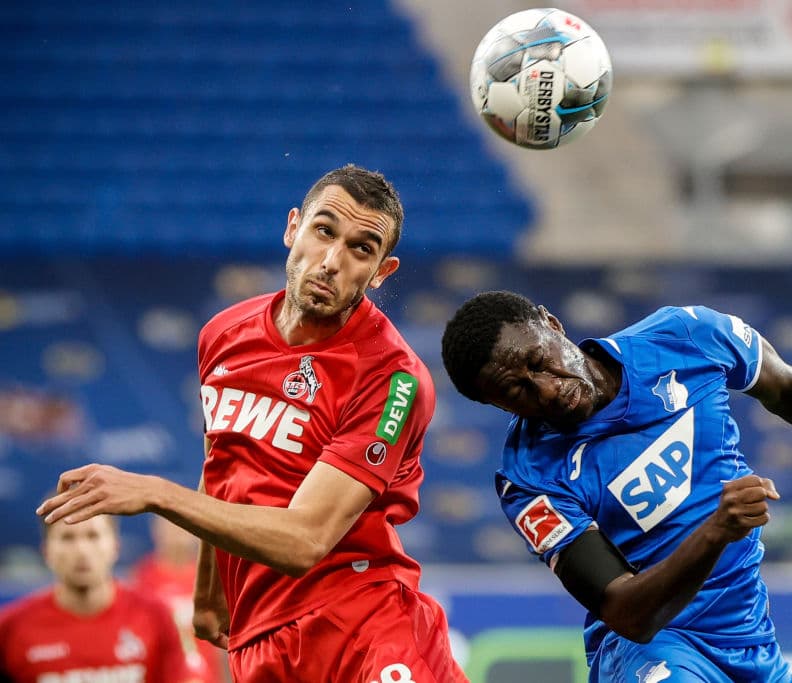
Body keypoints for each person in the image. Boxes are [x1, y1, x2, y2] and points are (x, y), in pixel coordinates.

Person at [37, 165, 469, 683]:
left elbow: (306, 541)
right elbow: (224, 462)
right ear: (293, 228)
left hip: (363, 625)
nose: (332, 261)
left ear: (381, 271)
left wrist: (156, 493)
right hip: (259, 639)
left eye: (361, 249)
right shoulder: (224, 333)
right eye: (324, 230)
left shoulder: (392, 377)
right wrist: (209, 591)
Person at [440, 290, 792, 683]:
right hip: (651, 650)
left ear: (552, 323)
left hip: (750, 638)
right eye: (516, 391)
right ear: (497, 406)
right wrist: (716, 529)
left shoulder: (683, 336)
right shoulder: (528, 478)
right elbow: (626, 613)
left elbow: (783, 387)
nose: (546, 387)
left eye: (538, 360)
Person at [0, 514, 195, 683]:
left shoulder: (155, 616)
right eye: (67, 538)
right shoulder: (10, 628)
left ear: (115, 546)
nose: (82, 550)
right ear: (46, 551)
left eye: (93, 536)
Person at [132, 515, 230, 683]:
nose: (177, 533)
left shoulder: (210, 576)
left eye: (181, 526)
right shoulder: (142, 578)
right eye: (170, 527)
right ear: (156, 531)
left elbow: (227, 638)